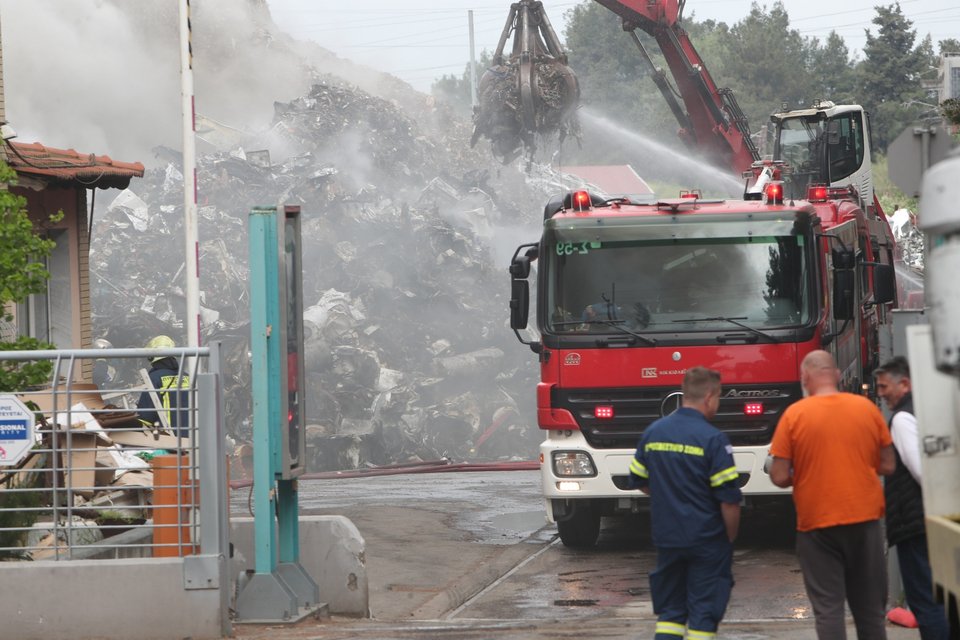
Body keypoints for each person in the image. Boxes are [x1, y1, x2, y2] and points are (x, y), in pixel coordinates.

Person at [769, 350, 896, 639]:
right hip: (864, 519)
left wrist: (806, 472)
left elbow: (778, 475)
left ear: (804, 377)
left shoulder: (794, 415)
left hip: (817, 523)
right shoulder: (866, 409)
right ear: (837, 375)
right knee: (870, 612)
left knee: (829, 610)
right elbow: (888, 465)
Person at [628, 366, 742, 639]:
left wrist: (669, 495)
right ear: (710, 396)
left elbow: (638, 479)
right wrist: (729, 539)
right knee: (704, 613)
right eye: (719, 397)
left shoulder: (654, 432)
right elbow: (729, 501)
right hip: (707, 539)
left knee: (670, 614)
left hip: (667, 537)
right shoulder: (713, 439)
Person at [875, 356, 949, 639]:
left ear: (904, 384)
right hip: (938, 518)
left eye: (884, 386)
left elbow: (921, 471)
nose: (880, 393)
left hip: (915, 522)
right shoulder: (930, 411)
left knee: (925, 600)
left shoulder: (903, 419)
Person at [137, 334, 191, 437]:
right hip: (193, 437)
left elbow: (145, 417)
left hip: (169, 439)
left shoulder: (154, 379)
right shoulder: (187, 377)